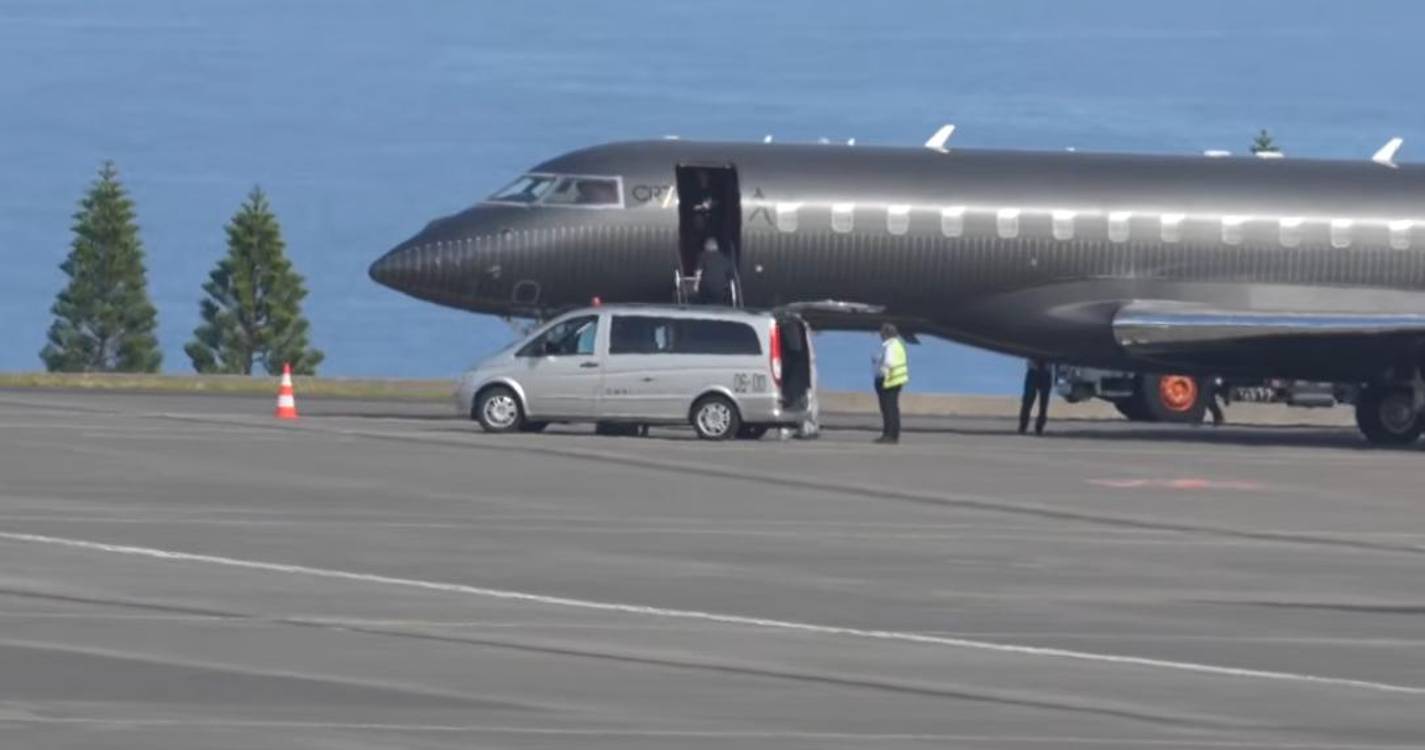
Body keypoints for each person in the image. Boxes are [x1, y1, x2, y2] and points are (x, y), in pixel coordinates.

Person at [872, 323, 910, 444]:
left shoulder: (890, 346)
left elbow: (889, 362)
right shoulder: (899, 344)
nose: (880, 336)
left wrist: (881, 370)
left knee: (888, 409)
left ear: (885, 334)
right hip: (897, 380)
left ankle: (888, 435)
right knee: (893, 409)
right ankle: (893, 434)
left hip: (889, 381)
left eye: (881, 333)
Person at [695, 237, 735, 305]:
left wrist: (696, 285)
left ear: (707, 246)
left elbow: (699, 272)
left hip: (706, 287)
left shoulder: (704, 255)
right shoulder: (725, 258)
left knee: (703, 304)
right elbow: (731, 275)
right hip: (720, 288)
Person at [1019, 359, 1052, 435]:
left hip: (1046, 372)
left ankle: (1039, 427)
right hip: (1033, 371)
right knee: (1027, 401)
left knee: (1043, 402)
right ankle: (1023, 425)